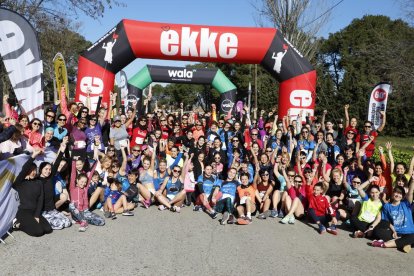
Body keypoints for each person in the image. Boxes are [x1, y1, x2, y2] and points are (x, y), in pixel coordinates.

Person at [12, 149, 53, 237]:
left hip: (35, 212)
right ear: (27, 171)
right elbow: (24, 169)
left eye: (34, 170)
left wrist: (37, 215)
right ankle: (19, 225)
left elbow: (40, 200)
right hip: (24, 212)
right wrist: (33, 156)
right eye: (31, 170)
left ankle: (31, 222)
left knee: (48, 229)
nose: (33, 172)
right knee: (38, 232)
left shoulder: (38, 182)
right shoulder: (20, 182)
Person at [370, 174, 414, 252]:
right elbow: (388, 222)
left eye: (400, 194)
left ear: (403, 196)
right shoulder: (387, 206)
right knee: (377, 231)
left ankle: (384, 244)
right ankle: (403, 243)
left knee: (412, 237)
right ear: (393, 193)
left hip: (409, 232)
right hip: (396, 233)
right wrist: (394, 231)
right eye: (396, 193)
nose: (397, 195)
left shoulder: (406, 204)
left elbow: (410, 193)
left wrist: (413, 181)